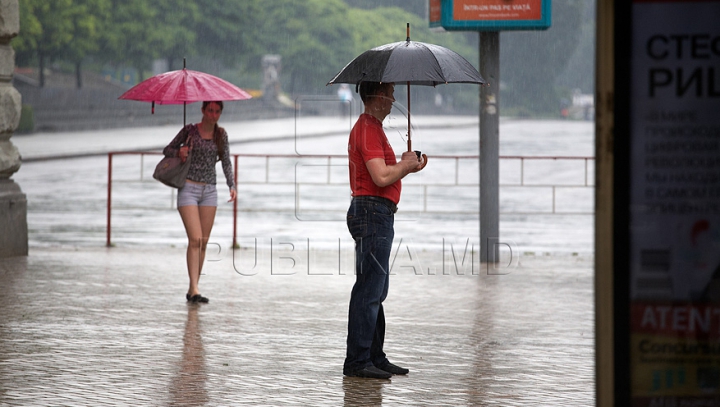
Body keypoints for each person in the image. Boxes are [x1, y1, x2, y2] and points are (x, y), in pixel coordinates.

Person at [343, 82, 425, 379]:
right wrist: (405, 165)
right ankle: (358, 360)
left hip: (377, 213)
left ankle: (373, 356)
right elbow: (380, 176)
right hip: (372, 212)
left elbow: (387, 172)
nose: (392, 98)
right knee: (370, 289)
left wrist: (407, 165)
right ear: (376, 96)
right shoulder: (366, 129)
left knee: (376, 289)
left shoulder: (373, 128)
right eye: (389, 92)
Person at [162, 101, 237, 304]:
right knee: (195, 239)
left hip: (210, 191)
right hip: (188, 189)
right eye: (210, 110)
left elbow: (227, 162)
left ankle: (193, 287)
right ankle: (194, 287)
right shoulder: (189, 131)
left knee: (203, 242)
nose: (213, 115)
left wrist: (232, 185)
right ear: (203, 110)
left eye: (217, 111)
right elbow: (167, 149)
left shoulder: (221, 135)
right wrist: (180, 152)